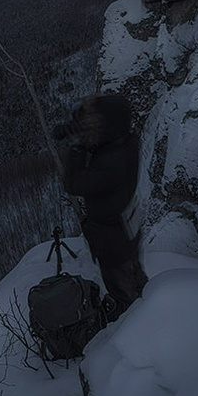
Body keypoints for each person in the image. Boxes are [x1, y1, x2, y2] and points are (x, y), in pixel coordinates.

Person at [59, 91, 146, 311]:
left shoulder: (112, 162)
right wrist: (80, 134)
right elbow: (105, 140)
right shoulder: (124, 142)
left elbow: (74, 184)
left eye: (93, 125)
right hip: (124, 233)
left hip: (112, 241)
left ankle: (136, 327)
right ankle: (147, 303)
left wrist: (76, 148)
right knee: (134, 275)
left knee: (123, 292)